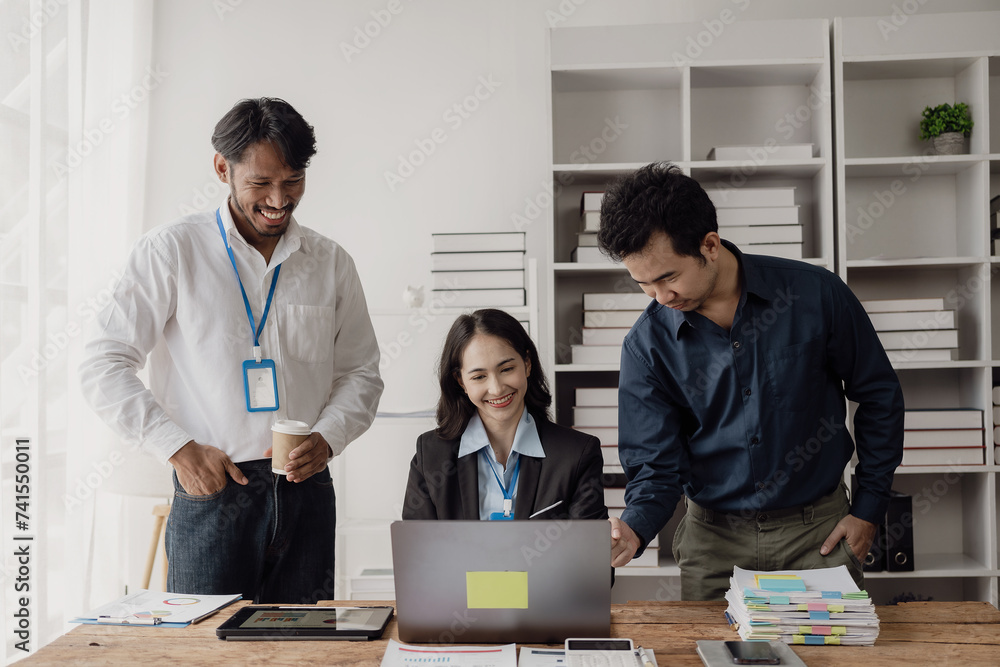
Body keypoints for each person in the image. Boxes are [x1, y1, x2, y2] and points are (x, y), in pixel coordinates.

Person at [79, 97, 383, 603]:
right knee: (204, 652)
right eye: (261, 183)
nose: (279, 200)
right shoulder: (171, 251)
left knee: (302, 652)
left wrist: (329, 438)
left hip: (306, 488)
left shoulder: (330, 262)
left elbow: (361, 373)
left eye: (292, 182)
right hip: (212, 488)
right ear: (223, 168)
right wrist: (177, 449)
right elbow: (102, 363)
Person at [599, 162, 904, 600]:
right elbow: (655, 465)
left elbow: (879, 395)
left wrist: (870, 509)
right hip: (713, 542)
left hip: (819, 534)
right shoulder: (646, 345)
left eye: (668, 277)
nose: (660, 297)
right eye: (643, 284)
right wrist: (635, 527)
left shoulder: (814, 294)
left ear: (709, 245)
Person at [402, 309, 607, 523]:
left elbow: (585, 552)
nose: (497, 389)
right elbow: (419, 551)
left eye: (507, 369)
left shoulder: (577, 454)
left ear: (527, 364)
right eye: (479, 376)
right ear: (461, 381)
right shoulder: (431, 455)